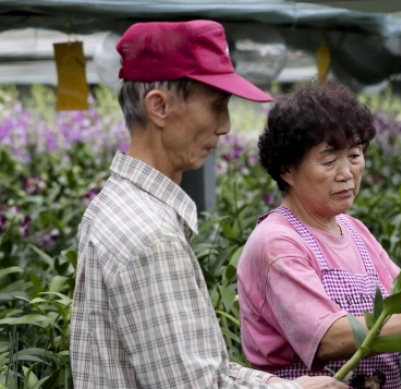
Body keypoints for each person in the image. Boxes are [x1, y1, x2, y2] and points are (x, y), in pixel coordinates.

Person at [70, 20, 345, 389]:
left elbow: (193, 371)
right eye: (217, 106)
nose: (226, 125)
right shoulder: (152, 238)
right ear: (160, 107)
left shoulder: (114, 206)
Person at [237, 82, 401, 389]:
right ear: (287, 169)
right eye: (329, 160)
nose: (347, 172)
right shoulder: (277, 242)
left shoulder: (355, 232)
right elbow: (327, 338)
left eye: (354, 155)